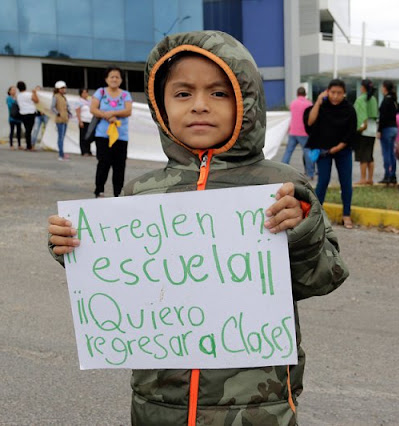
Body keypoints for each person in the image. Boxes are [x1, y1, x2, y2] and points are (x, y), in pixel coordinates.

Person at [47, 30, 349, 425]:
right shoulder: (141, 192)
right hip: (158, 403)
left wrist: (302, 231)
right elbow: (120, 280)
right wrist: (73, 248)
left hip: (256, 405)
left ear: (248, 99)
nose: (200, 106)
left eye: (219, 93)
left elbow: (324, 276)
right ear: (160, 105)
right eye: (183, 93)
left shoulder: (281, 187)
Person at [304, 79, 357, 229]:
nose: (335, 96)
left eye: (339, 93)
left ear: (344, 94)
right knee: (323, 181)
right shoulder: (322, 106)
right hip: (323, 151)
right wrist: (319, 101)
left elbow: (351, 132)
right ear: (327, 92)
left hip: (343, 150)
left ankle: (346, 215)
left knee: (346, 182)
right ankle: (315, 214)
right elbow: (310, 122)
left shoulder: (349, 109)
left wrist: (338, 148)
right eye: (332, 92)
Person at [90, 67, 133, 197]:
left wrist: (112, 113)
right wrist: (107, 116)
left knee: (119, 166)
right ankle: (99, 190)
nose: (114, 79)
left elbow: (128, 111)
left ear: (121, 80)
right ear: (106, 79)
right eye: (111, 76)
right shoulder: (100, 92)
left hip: (121, 136)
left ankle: (118, 194)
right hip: (103, 135)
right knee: (103, 163)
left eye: (117, 77)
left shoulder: (126, 94)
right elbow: (93, 109)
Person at [281, 87, 314, 179]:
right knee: (307, 152)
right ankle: (310, 174)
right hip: (303, 132)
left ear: (297, 94)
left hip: (293, 131)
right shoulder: (309, 104)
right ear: (305, 94)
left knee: (288, 152)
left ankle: (282, 171)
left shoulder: (293, 104)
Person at [353, 79, 378, 185]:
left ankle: (363, 178)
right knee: (370, 155)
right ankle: (370, 178)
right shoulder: (373, 99)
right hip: (372, 129)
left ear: (363, 87)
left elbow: (359, 115)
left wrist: (359, 128)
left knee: (362, 155)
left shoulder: (360, 99)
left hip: (363, 129)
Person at [377, 80, 398, 184]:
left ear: (385, 88)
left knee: (386, 153)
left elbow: (383, 117)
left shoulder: (386, 100)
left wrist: (379, 130)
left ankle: (387, 175)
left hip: (387, 129)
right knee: (392, 153)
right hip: (394, 128)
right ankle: (393, 175)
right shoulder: (394, 100)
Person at [16, 81, 39, 151]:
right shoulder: (29, 94)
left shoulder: (18, 96)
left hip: (22, 113)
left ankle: (28, 145)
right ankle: (29, 146)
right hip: (31, 112)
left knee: (27, 129)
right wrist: (35, 93)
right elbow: (36, 100)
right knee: (29, 130)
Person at [52, 80, 70, 161]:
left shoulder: (64, 97)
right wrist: (58, 113)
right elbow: (52, 107)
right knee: (60, 138)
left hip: (65, 119)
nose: (64, 90)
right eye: (62, 88)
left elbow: (67, 107)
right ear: (58, 89)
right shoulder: (55, 97)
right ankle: (61, 155)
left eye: (64, 88)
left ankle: (62, 153)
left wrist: (69, 113)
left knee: (62, 137)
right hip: (60, 120)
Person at [76, 88, 93, 156]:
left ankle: (88, 150)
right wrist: (80, 121)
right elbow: (78, 112)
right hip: (83, 120)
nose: (85, 94)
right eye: (84, 93)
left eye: (86, 92)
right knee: (83, 136)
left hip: (89, 121)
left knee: (89, 136)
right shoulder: (79, 101)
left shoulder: (89, 102)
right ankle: (84, 151)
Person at [6, 86, 22, 150]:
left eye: (15, 90)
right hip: (12, 117)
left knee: (19, 132)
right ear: (9, 91)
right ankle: (11, 145)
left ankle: (19, 145)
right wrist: (15, 101)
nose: (14, 91)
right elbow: (10, 106)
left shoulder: (18, 97)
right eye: (12, 90)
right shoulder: (8, 98)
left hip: (18, 117)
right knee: (12, 131)